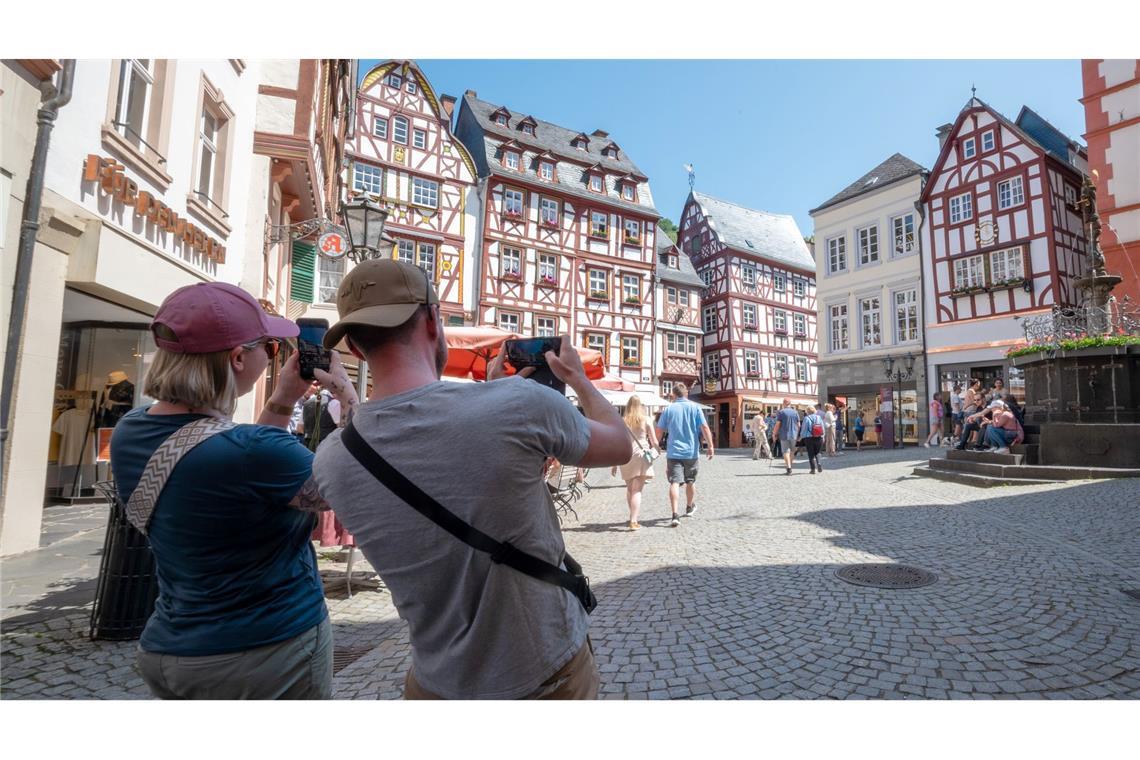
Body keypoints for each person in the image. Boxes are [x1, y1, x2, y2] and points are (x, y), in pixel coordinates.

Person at [312, 259, 632, 700]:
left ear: (357, 348)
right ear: (431, 320)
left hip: (436, 684)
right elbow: (620, 444)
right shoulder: (520, 403)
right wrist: (576, 379)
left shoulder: (332, 459)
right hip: (543, 676)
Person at [109, 282, 358, 700]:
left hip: (173, 646)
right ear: (238, 358)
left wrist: (281, 401)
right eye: (271, 346)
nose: (273, 355)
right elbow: (352, 486)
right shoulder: (251, 451)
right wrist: (347, 395)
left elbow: (245, 475)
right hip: (264, 652)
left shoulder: (130, 430)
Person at [655, 382, 714, 527]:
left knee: (674, 482)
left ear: (673, 395)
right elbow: (705, 427)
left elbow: (659, 430)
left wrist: (655, 445)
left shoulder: (668, 409)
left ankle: (675, 515)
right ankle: (689, 507)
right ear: (686, 393)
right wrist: (710, 446)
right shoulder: (695, 408)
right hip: (691, 452)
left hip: (673, 452)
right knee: (690, 481)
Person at [616, 395, 661, 530]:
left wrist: (614, 463)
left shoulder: (622, 421)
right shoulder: (646, 420)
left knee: (630, 489)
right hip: (641, 456)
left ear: (628, 406)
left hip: (626, 456)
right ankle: (633, 520)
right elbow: (654, 441)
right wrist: (657, 451)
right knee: (637, 490)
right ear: (640, 405)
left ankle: (632, 516)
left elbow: (617, 442)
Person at [771, 398, 801, 475]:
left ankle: (789, 468)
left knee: (785, 452)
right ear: (790, 403)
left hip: (784, 434)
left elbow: (778, 424)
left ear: (784, 403)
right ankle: (790, 466)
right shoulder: (795, 412)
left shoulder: (781, 412)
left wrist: (774, 434)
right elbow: (799, 425)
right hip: (794, 435)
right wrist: (798, 435)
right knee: (792, 451)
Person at [800, 405, 826, 474]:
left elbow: (804, 428)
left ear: (807, 411)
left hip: (809, 438)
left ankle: (813, 469)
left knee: (811, 454)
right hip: (819, 437)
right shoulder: (819, 417)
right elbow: (822, 427)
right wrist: (823, 436)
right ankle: (819, 463)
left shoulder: (806, 418)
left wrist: (801, 437)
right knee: (818, 452)